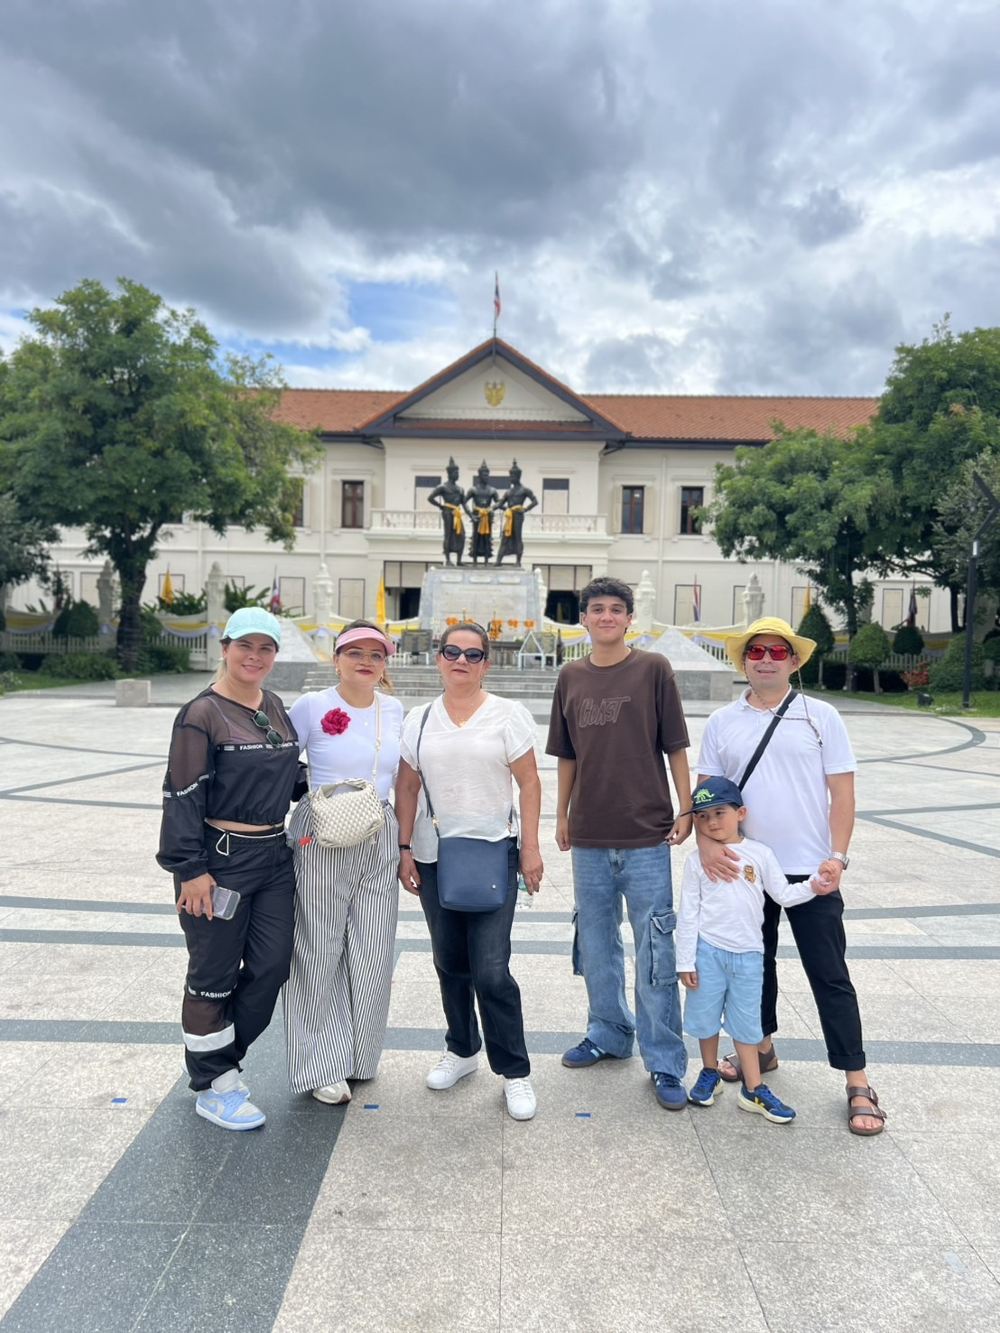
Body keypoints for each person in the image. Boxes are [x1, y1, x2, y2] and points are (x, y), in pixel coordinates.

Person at [696, 616, 886, 1136]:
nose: (765, 659)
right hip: (746, 867)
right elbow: (707, 796)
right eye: (755, 651)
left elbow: (842, 794)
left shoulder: (820, 716)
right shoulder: (723, 721)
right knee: (752, 968)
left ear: (794, 661)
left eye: (777, 652)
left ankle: (857, 1079)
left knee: (829, 972)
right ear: (743, 660)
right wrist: (707, 846)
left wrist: (839, 857)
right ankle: (761, 1048)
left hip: (811, 866)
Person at [546, 577, 693, 1111]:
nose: (606, 616)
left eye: (615, 609)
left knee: (655, 948)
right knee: (596, 943)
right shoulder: (570, 676)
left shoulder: (652, 669)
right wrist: (561, 814)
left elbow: (675, 746)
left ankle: (665, 1060)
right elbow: (566, 754)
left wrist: (686, 808)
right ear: (583, 618)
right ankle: (608, 1033)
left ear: (630, 619)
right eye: (596, 609)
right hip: (589, 833)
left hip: (645, 833)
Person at [157, 607, 301, 1131]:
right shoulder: (201, 714)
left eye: (266, 648)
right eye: (245, 646)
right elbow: (181, 794)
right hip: (219, 862)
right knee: (213, 974)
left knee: (272, 966)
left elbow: (287, 775)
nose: (254, 657)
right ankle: (215, 1083)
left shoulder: (274, 705)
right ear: (225, 648)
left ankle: (221, 1058)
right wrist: (190, 869)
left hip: (274, 858)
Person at [395, 622, 543, 1121]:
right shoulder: (419, 719)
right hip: (434, 856)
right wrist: (404, 848)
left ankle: (514, 1070)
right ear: (438, 658)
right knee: (449, 961)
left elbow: (529, 784)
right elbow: (407, 787)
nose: (461, 660)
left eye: (473, 654)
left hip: (493, 853)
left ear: (486, 664)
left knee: (492, 969)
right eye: (452, 651)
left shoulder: (508, 715)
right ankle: (461, 1048)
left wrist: (530, 848)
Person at [283, 620, 404, 1105]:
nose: (365, 662)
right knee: (318, 945)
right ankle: (320, 1063)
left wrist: (407, 844)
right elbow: (279, 765)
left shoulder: (393, 709)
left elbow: (404, 776)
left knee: (374, 945)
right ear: (336, 659)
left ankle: (359, 1055)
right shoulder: (312, 706)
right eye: (355, 652)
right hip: (323, 829)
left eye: (376, 655)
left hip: (379, 828)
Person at [677, 776, 838, 1124]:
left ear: (741, 813)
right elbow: (688, 912)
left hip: (749, 956)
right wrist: (685, 960)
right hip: (707, 952)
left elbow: (783, 894)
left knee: (747, 1023)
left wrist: (813, 885)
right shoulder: (696, 861)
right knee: (705, 1018)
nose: (711, 822)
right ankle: (709, 1072)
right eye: (702, 816)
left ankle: (753, 1088)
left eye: (719, 813)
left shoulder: (760, 854)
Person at [495, 460, 538, 567]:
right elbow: (500, 504)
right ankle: (498, 560)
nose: (510, 478)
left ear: (518, 476)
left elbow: (535, 501)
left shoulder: (524, 490)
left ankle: (518, 561)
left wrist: (525, 509)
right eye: (510, 476)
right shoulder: (508, 492)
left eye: (512, 476)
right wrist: (499, 508)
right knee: (505, 537)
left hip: (518, 516)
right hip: (510, 516)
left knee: (518, 537)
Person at [427, 457, 467, 566]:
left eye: (458, 472)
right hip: (448, 512)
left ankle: (459, 560)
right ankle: (448, 559)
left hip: (457, 514)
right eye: (455, 472)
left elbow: (464, 504)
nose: (457, 474)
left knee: (462, 535)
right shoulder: (442, 487)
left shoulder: (460, 489)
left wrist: (471, 516)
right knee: (448, 534)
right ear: (449, 474)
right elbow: (430, 498)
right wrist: (440, 506)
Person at [465, 461, 498, 564]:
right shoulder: (473, 490)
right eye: (484, 474)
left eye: (487, 474)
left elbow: (499, 503)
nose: (486, 476)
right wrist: (470, 514)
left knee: (487, 537)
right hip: (477, 516)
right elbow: (463, 502)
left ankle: (486, 560)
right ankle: (474, 559)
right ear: (479, 475)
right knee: (476, 537)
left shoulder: (492, 490)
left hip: (487, 516)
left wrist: (492, 508)